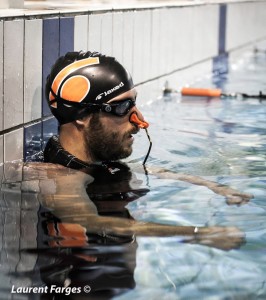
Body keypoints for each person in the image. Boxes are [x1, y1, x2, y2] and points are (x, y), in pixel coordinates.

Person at [43, 50, 252, 248]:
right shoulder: (61, 179)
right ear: (82, 116)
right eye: (122, 107)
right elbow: (93, 222)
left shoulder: (93, 157)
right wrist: (200, 234)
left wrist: (215, 186)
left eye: (134, 103)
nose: (140, 120)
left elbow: (144, 170)